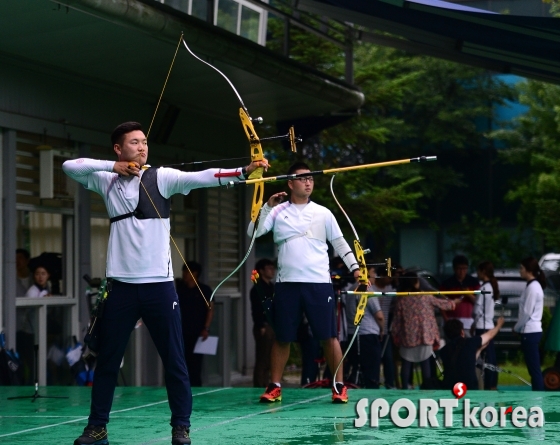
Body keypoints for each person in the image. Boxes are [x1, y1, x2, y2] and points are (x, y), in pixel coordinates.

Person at [63, 121, 267, 445]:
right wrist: (113, 167)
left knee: (175, 360)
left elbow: (201, 178)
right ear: (119, 149)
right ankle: (97, 427)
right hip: (121, 288)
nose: (142, 147)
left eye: (145, 142)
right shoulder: (106, 181)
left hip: (159, 287)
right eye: (134, 143)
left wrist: (242, 172)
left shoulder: (162, 177)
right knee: (107, 361)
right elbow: (69, 166)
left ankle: (181, 427)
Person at [249, 161, 360, 404]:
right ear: (290, 183)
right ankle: (275, 385)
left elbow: (340, 242)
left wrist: (355, 267)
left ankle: (338, 385)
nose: (308, 182)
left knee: (328, 336)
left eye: (311, 178)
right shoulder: (278, 210)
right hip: (287, 284)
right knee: (283, 337)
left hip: (318, 283)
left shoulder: (323, 213)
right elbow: (253, 233)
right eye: (302, 178)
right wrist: (267, 206)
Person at [392, 272, 455, 389]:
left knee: (406, 364)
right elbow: (444, 305)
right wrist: (453, 303)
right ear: (416, 283)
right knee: (425, 363)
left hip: (407, 337)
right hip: (425, 336)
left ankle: (404, 388)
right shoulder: (426, 297)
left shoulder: (401, 300)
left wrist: (395, 335)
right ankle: (426, 388)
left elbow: (396, 321)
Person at [344, 266, 384, 388]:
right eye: (373, 273)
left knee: (357, 367)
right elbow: (380, 316)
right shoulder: (366, 289)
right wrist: (382, 330)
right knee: (371, 372)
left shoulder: (351, 288)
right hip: (367, 334)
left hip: (353, 334)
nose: (375, 277)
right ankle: (371, 396)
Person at [176, 261, 214, 388]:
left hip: (197, 332)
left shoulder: (204, 290)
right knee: (181, 361)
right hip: (181, 331)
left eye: (187, 272)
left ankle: (196, 387)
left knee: (195, 364)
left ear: (195, 273)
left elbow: (210, 309)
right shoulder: (180, 289)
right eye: (184, 272)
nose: (184, 274)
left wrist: (206, 328)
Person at [441, 316, 505, 390]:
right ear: (462, 332)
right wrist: (499, 325)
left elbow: (460, 361)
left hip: (450, 387)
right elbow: (490, 335)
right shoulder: (470, 342)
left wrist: (479, 350)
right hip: (469, 387)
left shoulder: (443, 351)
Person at [513, 257, 546, 391]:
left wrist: (516, 328)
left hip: (530, 331)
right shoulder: (532, 286)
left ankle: (539, 398)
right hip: (531, 331)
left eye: (522, 268)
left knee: (534, 370)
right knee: (533, 369)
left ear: (529, 270)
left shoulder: (533, 287)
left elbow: (526, 312)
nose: (520, 271)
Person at [471, 261, 500, 390]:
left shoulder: (482, 289)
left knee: (481, 357)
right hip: (489, 325)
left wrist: (473, 321)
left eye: (479, 271)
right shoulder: (492, 287)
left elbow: (477, 310)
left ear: (483, 271)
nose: (477, 273)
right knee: (490, 357)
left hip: (481, 326)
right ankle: (492, 383)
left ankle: (486, 384)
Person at [249, 258, 276, 387]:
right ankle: (259, 384)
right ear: (261, 271)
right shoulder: (257, 288)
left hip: (273, 325)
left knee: (271, 358)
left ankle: (267, 384)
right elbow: (257, 309)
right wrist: (261, 325)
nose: (272, 271)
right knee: (263, 358)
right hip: (264, 326)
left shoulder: (272, 287)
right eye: (269, 268)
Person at [440, 255, 480, 336]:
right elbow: (441, 304)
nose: (462, 272)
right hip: (451, 323)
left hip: (469, 323)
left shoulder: (474, 282)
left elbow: (479, 301)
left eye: (464, 268)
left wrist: (468, 294)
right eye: (459, 269)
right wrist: (446, 320)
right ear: (454, 269)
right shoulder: (446, 283)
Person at [371, 266, 396, 389]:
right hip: (374, 330)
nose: (390, 279)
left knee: (388, 358)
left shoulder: (391, 290)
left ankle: (390, 383)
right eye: (388, 276)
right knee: (375, 359)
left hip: (385, 329)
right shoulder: (373, 289)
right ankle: (374, 382)